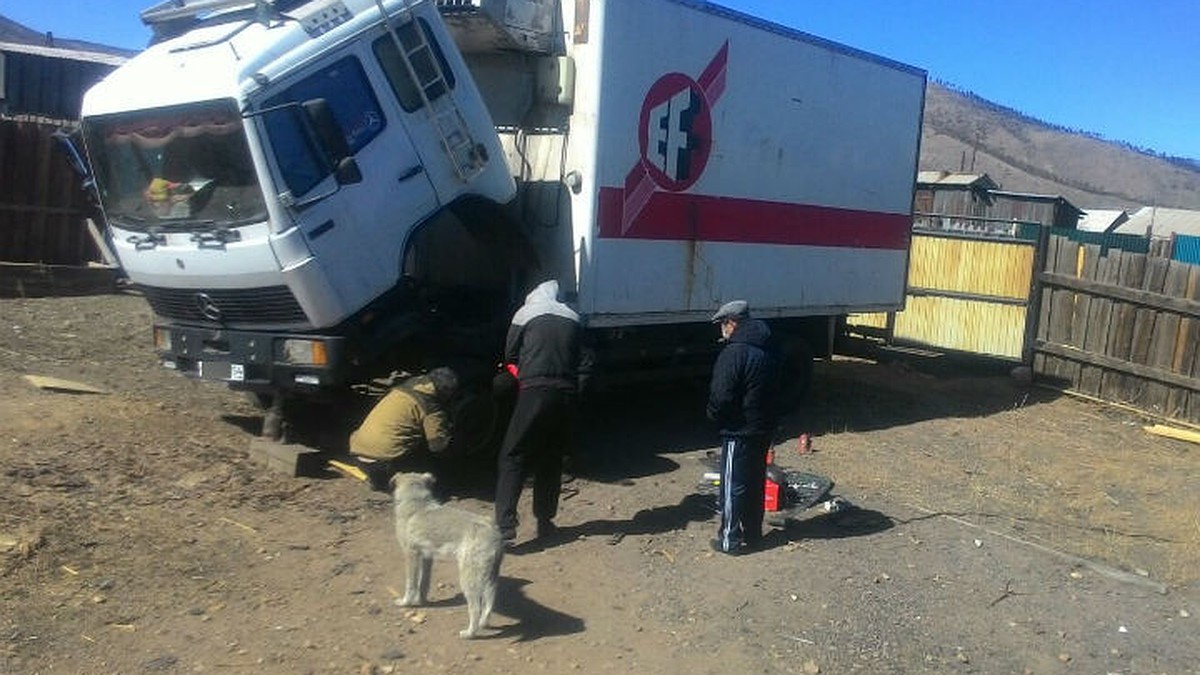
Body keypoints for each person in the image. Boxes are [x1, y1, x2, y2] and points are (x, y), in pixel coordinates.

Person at [494, 280, 584, 543]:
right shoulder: (573, 317)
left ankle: (505, 528)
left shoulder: (525, 313)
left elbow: (510, 353)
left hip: (534, 391)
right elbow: (582, 358)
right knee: (551, 456)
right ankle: (545, 521)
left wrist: (522, 374)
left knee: (513, 455)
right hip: (565, 394)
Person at [705, 299, 782, 555]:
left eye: (722, 325)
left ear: (732, 323)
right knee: (754, 481)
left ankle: (729, 540)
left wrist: (716, 419)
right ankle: (754, 534)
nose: (721, 331)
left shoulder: (734, 352)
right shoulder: (768, 347)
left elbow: (721, 395)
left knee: (732, 485)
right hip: (763, 428)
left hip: (738, 430)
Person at [349, 367, 459, 491]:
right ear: (445, 392)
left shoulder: (401, 389)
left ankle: (378, 480)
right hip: (384, 464)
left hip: (357, 454)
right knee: (431, 453)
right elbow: (437, 446)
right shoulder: (431, 407)